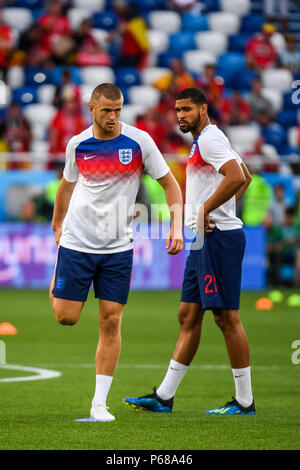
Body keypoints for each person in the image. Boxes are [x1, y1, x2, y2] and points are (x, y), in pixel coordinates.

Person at [49, 83, 184, 422]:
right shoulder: (77, 145)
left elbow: (169, 183)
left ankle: (99, 403)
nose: (113, 117)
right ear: (92, 109)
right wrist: (56, 225)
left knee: (111, 320)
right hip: (77, 243)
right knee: (66, 318)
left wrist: (176, 225)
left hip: (118, 247)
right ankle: (57, 275)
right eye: (106, 110)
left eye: (118, 110)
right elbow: (66, 185)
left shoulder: (139, 142)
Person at [123, 87, 255, 416]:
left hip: (219, 239)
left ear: (203, 109)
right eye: (177, 110)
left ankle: (245, 402)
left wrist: (206, 211)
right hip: (203, 240)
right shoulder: (206, 141)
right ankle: (164, 397)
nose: (180, 115)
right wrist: (212, 211)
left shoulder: (210, 139)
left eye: (186, 109)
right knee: (188, 315)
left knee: (227, 319)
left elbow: (238, 176)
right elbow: (246, 176)